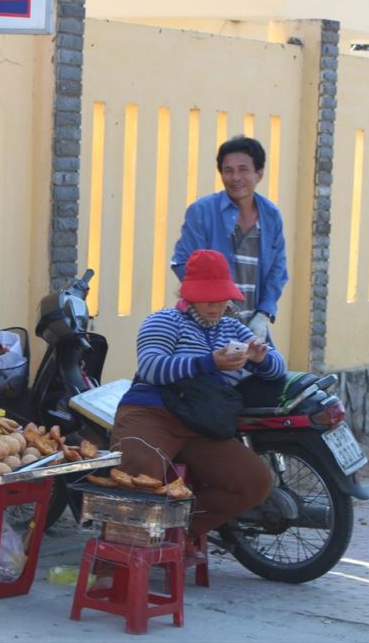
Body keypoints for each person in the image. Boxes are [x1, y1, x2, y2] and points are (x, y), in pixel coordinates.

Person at [109, 249, 287, 541]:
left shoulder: (232, 328)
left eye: (221, 299)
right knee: (136, 479)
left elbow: (277, 368)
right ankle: (116, 564)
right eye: (208, 299)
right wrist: (209, 363)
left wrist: (260, 358)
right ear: (189, 295)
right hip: (152, 413)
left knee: (253, 482)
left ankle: (179, 533)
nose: (216, 307)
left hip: (202, 422)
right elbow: (152, 367)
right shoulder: (165, 320)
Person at [171, 136, 288, 339]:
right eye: (228, 170)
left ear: (259, 174)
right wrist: (215, 301)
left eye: (243, 169)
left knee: (274, 369)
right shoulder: (202, 211)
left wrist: (263, 315)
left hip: (252, 327)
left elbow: (278, 271)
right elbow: (183, 262)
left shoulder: (271, 215)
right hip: (207, 325)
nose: (235, 177)